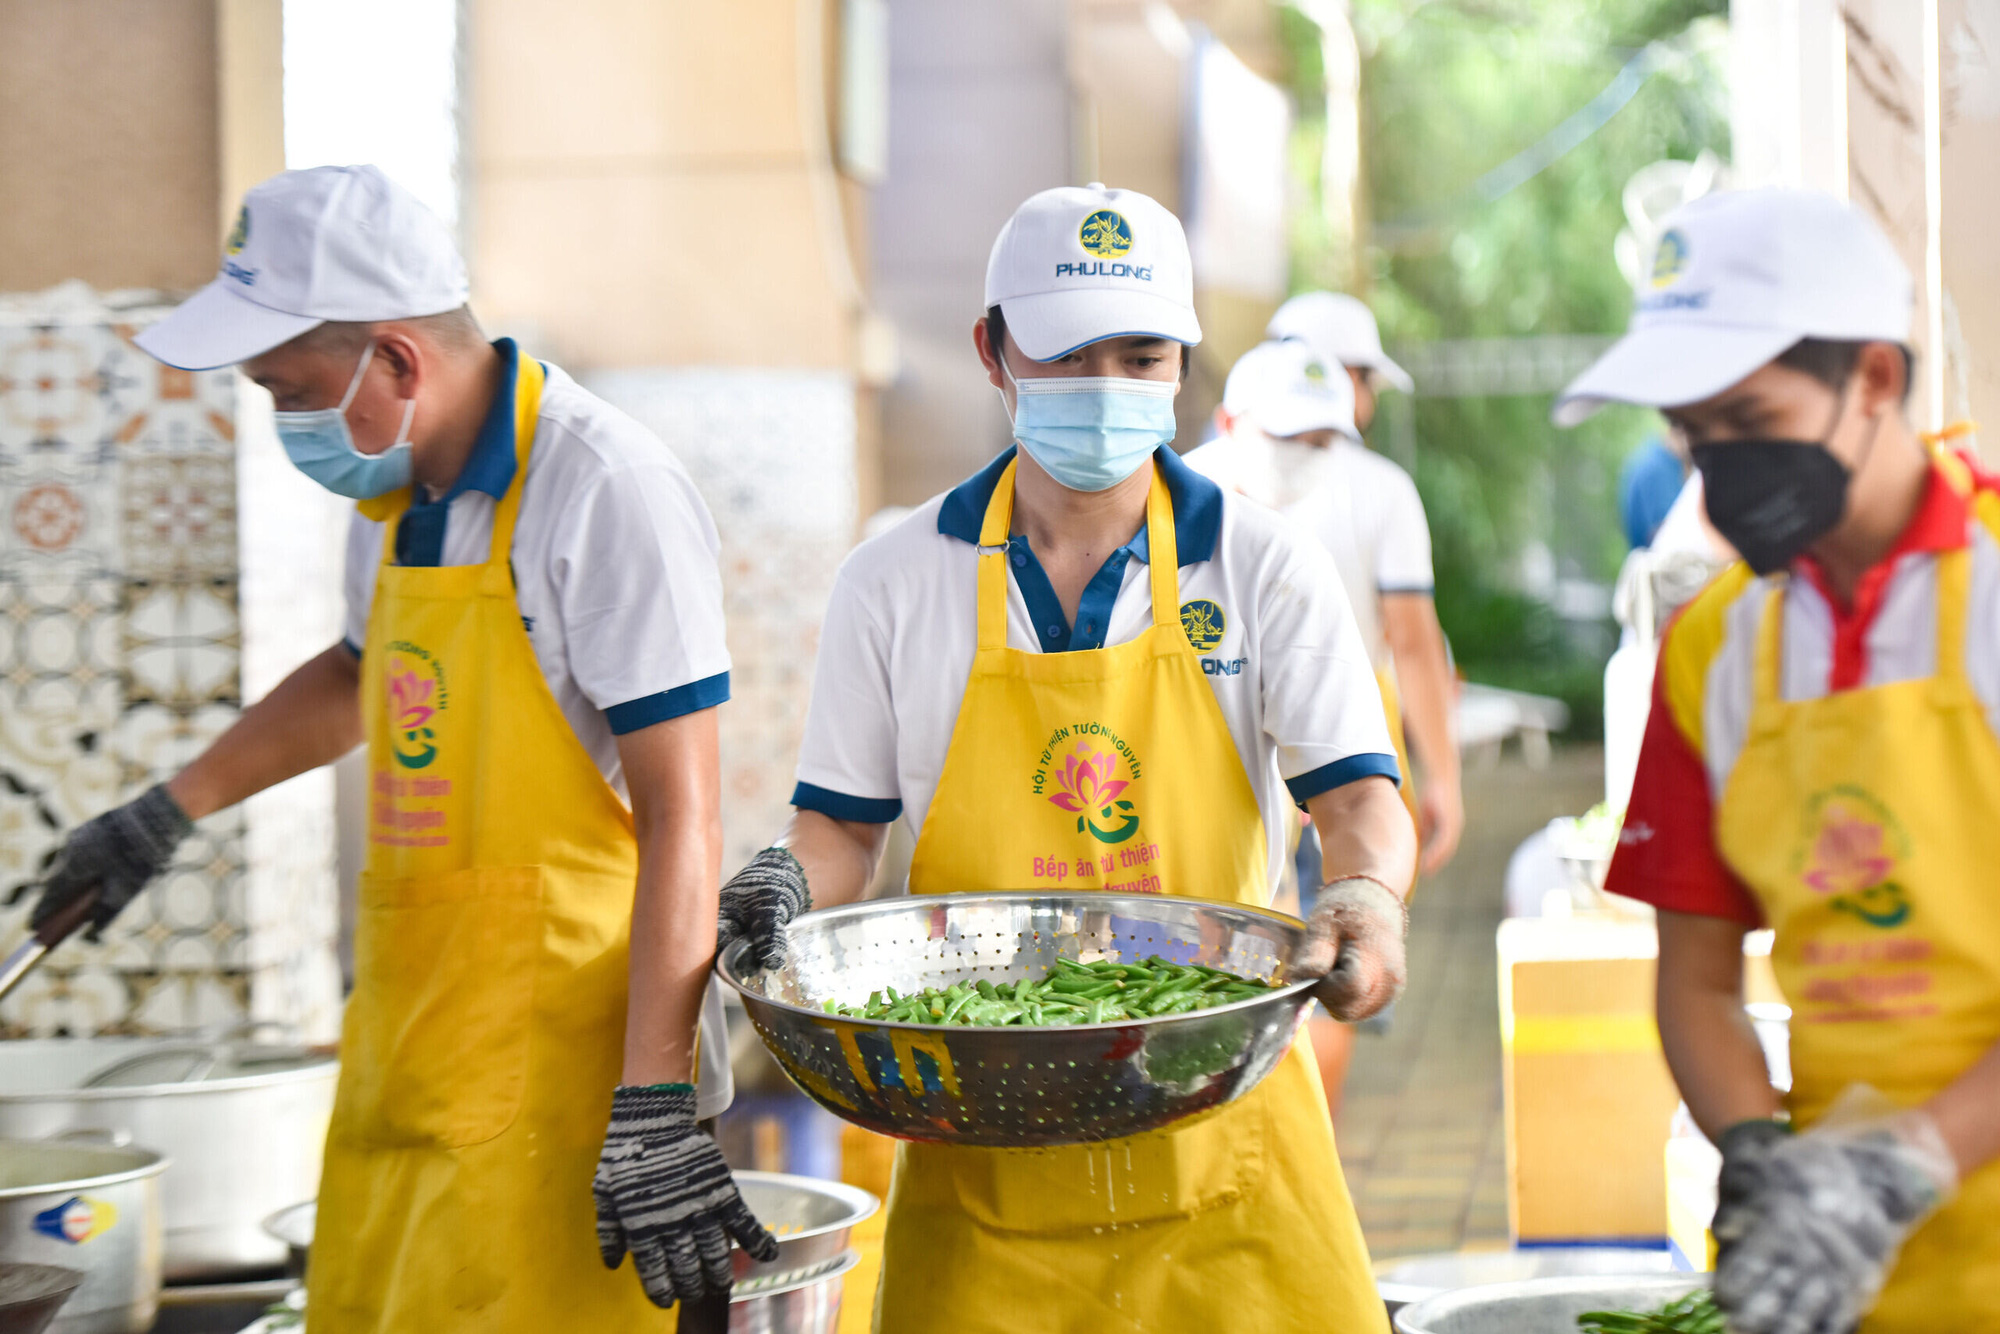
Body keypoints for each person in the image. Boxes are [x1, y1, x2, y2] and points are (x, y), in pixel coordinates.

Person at [10, 166, 774, 1329]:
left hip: (564, 1089)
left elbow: (685, 814)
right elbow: (363, 675)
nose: (284, 422)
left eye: (290, 390)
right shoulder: (400, 495)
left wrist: (655, 1102)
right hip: (408, 1057)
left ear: (398, 361)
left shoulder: (600, 485)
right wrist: (169, 808)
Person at [716, 184, 1416, 1332]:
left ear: (1184, 363)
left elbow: (1354, 794)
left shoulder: (1259, 565)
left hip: (1225, 1148)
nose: (1106, 386)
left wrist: (1362, 893)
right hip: (977, 1153)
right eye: (1066, 353)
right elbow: (841, 829)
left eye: (1140, 355)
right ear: (992, 350)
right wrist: (786, 879)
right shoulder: (894, 579)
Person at [1558, 187, 2000, 1334]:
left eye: (1750, 418)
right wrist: (1755, 1152)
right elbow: (1694, 975)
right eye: (1692, 434)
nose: (1720, 468)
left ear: (1873, 379)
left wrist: (1906, 1164)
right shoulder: (1714, 643)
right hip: (1852, 1274)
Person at [1263, 292, 1464, 875]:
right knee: (1356, 935)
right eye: (1369, 379)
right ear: (1341, 374)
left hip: (1233, 750)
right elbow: (1412, 643)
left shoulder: (1203, 471)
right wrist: (1443, 778)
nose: (1369, 398)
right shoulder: (1381, 488)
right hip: (1351, 748)